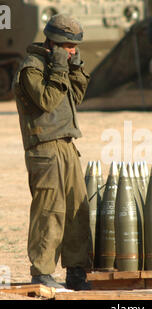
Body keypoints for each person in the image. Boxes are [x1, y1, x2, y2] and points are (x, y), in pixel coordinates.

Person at [12, 14, 92, 290]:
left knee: (76, 211)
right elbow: (47, 100)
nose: (73, 51)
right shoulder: (32, 68)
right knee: (49, 211)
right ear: (54, 43)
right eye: (69, 46)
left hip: (67, 145)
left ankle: (77, 271)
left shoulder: (58, 64)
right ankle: (42, 272)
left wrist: (75, 69)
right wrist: (59, 69)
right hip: (44, 149)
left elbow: (76, 98)